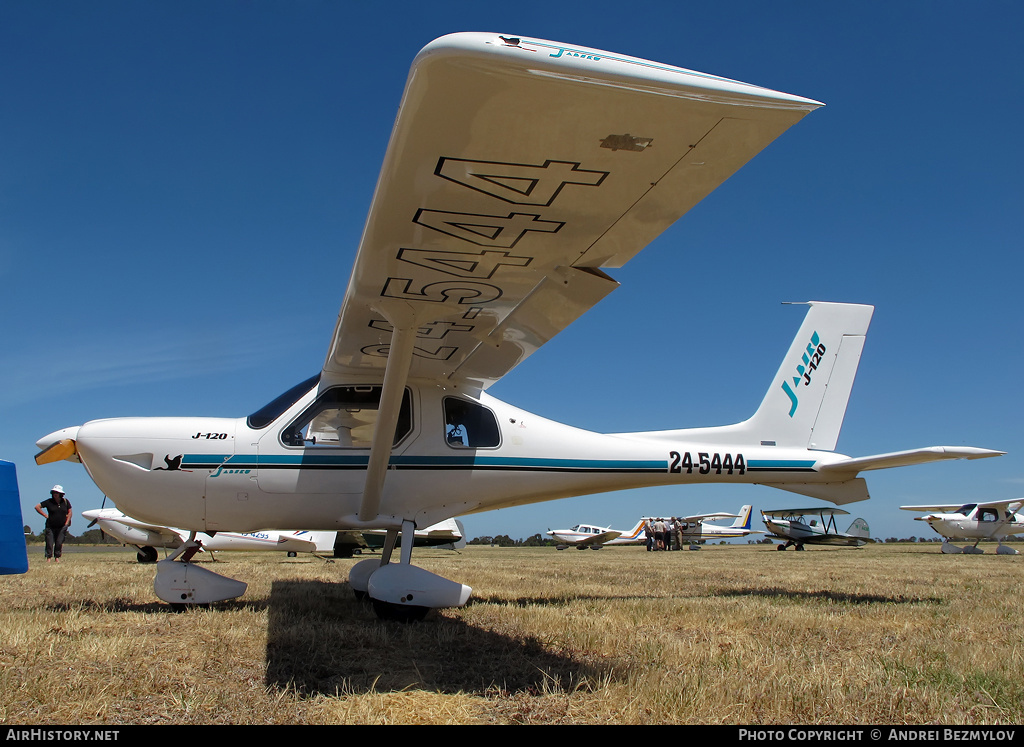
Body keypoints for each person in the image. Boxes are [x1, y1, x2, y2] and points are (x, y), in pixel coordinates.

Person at [35, 485, 72, 562]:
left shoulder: (65, 501)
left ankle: (57, 557)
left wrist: (67, 522)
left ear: (60, 494)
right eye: (54, 492)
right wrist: (45, 515)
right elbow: (37, 507)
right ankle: (48, 558)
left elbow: (70, 512)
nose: (55, 494)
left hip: (62, 526)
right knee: (49, 542)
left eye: (57, 492)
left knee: (59, 542)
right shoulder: (49, 502)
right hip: (50, 526)